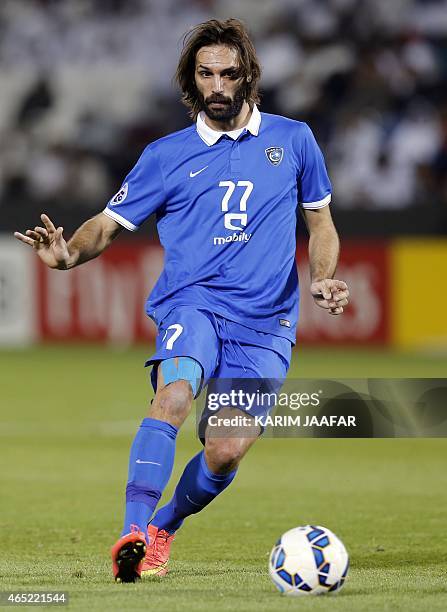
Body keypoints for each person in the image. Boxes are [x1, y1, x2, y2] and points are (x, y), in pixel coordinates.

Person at [14, 18, 349, 583]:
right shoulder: (165, 155)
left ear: (248, 77)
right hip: (191, 304)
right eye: (206, 74)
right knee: (174, 394)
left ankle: (165, 526)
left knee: (226, 449)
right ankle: (134, 533)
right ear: (191, 81)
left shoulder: (294, 140)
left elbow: (321, 223)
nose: (217, 85)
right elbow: (108, 223)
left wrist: (322, 277)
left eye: (228, 74)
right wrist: (69, 254)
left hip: (266, 321)